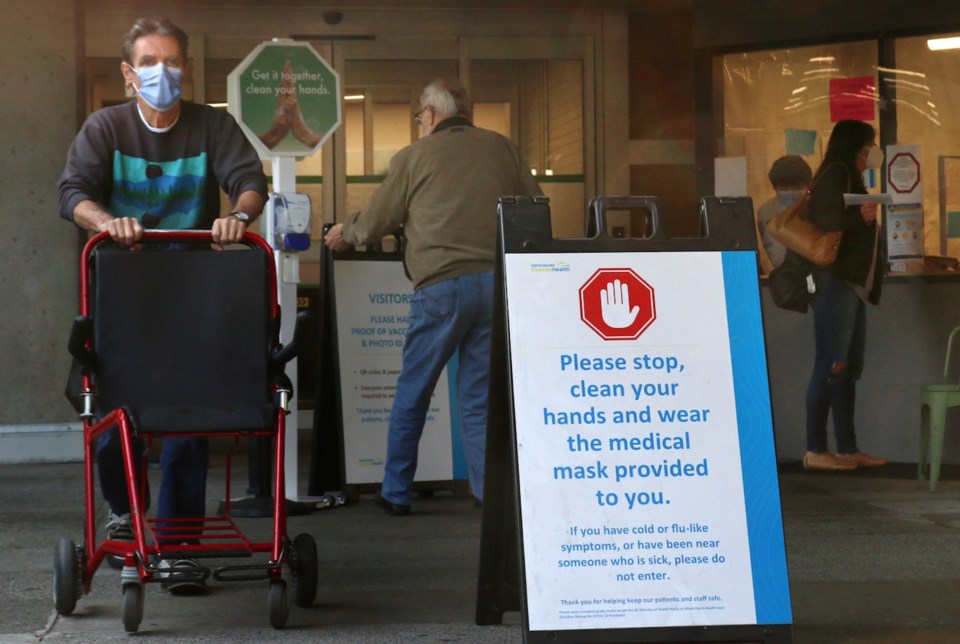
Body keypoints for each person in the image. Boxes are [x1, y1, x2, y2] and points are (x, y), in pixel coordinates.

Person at [58, 17, 268, 590]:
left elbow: (250, 180)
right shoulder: (105, 128)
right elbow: (72, 192)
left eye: (173, 61)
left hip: (191, 298)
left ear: (187, 70)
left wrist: (239, 216)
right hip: (121, 295)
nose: (163, 72)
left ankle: (178, 543)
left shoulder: (212, 126)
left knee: (186, 415)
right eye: (150, 63)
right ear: (129, 75)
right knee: (106, 406)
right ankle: (125, 511)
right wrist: (108, 221)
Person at [324, 78, 542, 515]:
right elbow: (535, 208)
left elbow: (375, 222)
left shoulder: (414, 156)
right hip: (497, 284)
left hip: (442, 287)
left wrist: (344, 232)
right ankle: (487, 493)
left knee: (414, 389)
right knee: (478, 396)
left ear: (430, 113)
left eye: (420, 116)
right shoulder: (503, 148)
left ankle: (396, 491)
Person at [800, 120, 887, 471]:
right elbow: (828, 220)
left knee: (846, 367)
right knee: (830, 363)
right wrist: (861, 217)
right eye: (869, 145)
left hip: (851, 284)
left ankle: (847, 447)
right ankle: (816, 449)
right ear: (855, 145)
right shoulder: (837, 173)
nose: (872, 152)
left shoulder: (848, 174)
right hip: (835, 281)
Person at [756, 155, 812, 273]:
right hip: (787, 278)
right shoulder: (767, 212)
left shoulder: (818, 207)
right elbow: (777, 257)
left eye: (797, 187)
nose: (791, 192)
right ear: (774, 187)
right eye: (785, 188)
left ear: (808, 186)